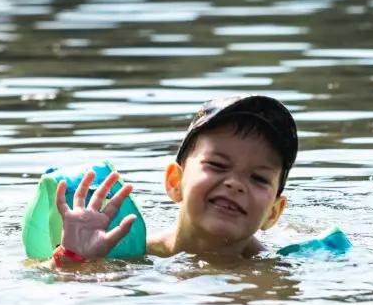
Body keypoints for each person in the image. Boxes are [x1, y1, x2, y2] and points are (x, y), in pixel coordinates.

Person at [50, 93, 299, 265]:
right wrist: (73, 257)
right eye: (217, 165)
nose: (235, 184)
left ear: (273, 213)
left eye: (259, 178)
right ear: (174, 182)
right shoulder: (141, 259)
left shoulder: (279, 272)